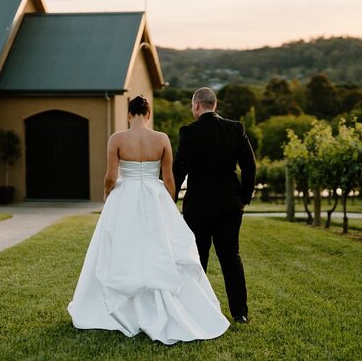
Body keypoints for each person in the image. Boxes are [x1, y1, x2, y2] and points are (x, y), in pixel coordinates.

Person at [68, 95, 229, 344]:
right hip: (155, 198)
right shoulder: (161, 138)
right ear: (149, 114)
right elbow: (169, 179)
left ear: (129, 114)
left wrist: (106, 193)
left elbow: (111, 176)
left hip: (125, 197)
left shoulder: (117, 139)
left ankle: (122, 307)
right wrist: (169, 204)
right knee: (159, 248)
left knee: (123, 247)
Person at [173, 87, 256, 324]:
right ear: (214, 105)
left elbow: (180, 169)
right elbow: (249, 166)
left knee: (198, 257)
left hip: (198, 204)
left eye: (192, 106)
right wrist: (244, 198)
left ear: (197, 105)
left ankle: (195, 311)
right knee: (231, 256)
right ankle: (239, 313)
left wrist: (172, 198)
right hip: (230, 204)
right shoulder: (236, 128)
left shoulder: (190, 132)